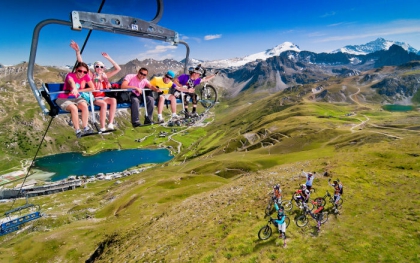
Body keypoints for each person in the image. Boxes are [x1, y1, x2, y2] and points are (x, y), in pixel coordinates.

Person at [70, 40, 120, 132]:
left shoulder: (105, 76)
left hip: (102, 96)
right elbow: (81, 62)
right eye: (97, 66)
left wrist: (108, 57)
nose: (99, 68)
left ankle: (110, 123)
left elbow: (118, 68)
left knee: (113, 100)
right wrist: (77, 52)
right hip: (94, 98)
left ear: (103, 68)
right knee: (104, 104)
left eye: (101, 67)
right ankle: (102, 127)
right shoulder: (91, 75)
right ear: (94, 68)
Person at [55, 62, 95, 138]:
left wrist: (78, 91)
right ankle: (77, 130)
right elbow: (71, 82)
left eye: (84, 72)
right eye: (80, 71)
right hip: (64, 98)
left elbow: (92, 88)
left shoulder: (86, 76)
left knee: (84, 105)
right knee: (74, 108)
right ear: (76, 70)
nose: (82, 73)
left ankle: (85, 127)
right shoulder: (70, 75)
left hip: (76, 97)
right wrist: (74, 88)